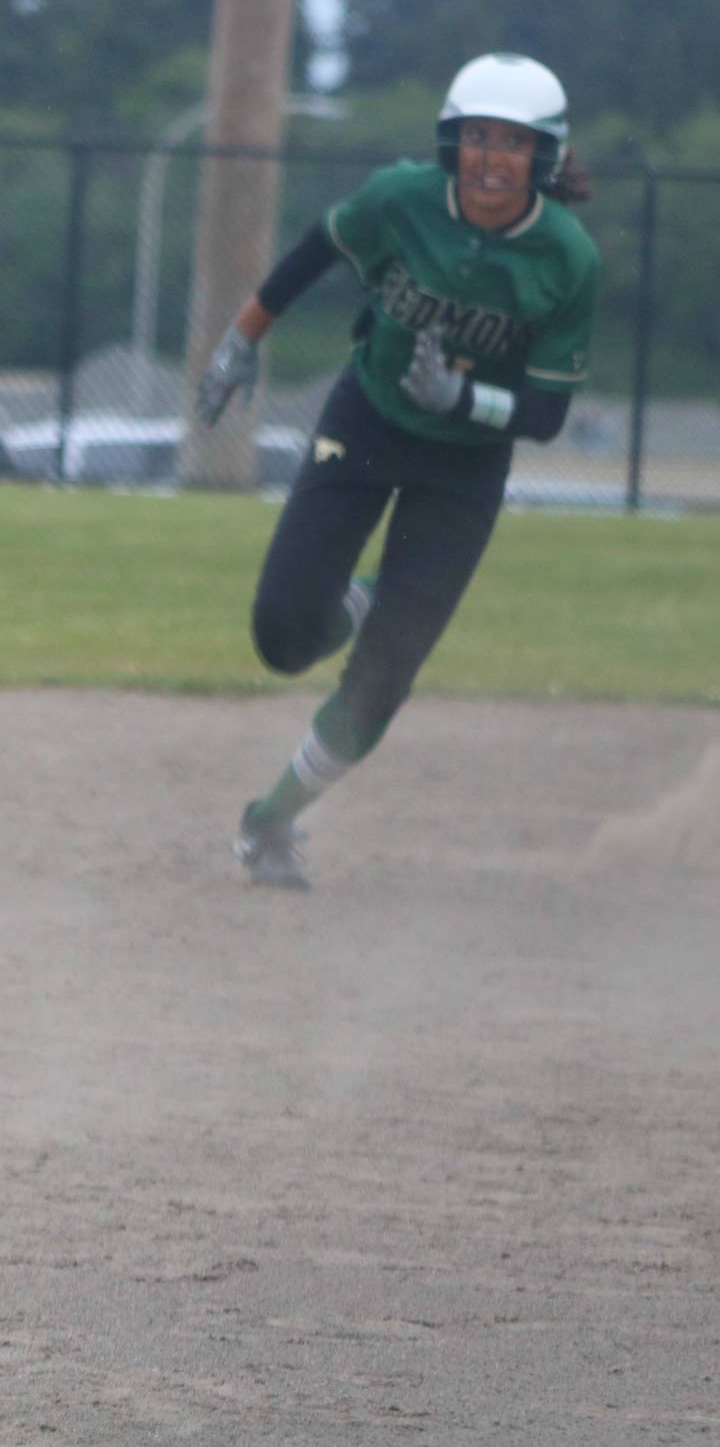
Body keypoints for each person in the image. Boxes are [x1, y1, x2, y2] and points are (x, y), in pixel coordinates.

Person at [195, 52, 600, 890]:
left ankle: (271, 821)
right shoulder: (401, 197)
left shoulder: (567, 258)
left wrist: (462, 399)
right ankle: (362, 597)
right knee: (282, 635)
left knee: (381, 679)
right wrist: (242, 337)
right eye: (477, 136)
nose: (492, 158)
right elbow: (318, 248)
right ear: (452, 144)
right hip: (368, 418)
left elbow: (546, 415)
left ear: (546, 157)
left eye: (515, 142)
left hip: (466, 464)